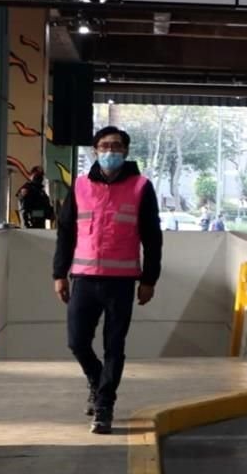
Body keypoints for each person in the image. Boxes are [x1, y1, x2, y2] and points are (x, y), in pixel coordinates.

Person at [52, 126, 162, 435]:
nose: (110, 151)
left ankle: (104, 405)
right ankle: (97, 380)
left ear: (125, 151)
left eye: (116, 146)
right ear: (95, 150)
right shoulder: (80, 186)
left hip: (121, 281)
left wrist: (149, 279)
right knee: (76, 342)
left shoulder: (141, 187)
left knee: (114, 345)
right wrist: (59, 274)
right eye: (104, 146)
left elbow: (152, 238)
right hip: (84, 279)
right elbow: (66, 233)